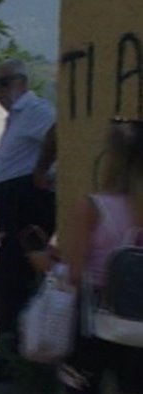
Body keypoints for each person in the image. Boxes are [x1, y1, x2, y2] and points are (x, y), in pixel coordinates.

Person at [0, 58, 57, 381]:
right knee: (11, 279)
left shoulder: (35, 111)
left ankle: (14, 357)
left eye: (3, 85)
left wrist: (40, 171)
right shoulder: (18, 118)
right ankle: (14, 354)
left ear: (20, 83)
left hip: (26, 202)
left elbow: (56, 133)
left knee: (9, 279)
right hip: (15, 200)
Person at [59, 119, 143, 394]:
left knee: (80, 385)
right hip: (139, 321)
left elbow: (74, 274)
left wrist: (47, 264)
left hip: (95, 318)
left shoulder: (93, 206)